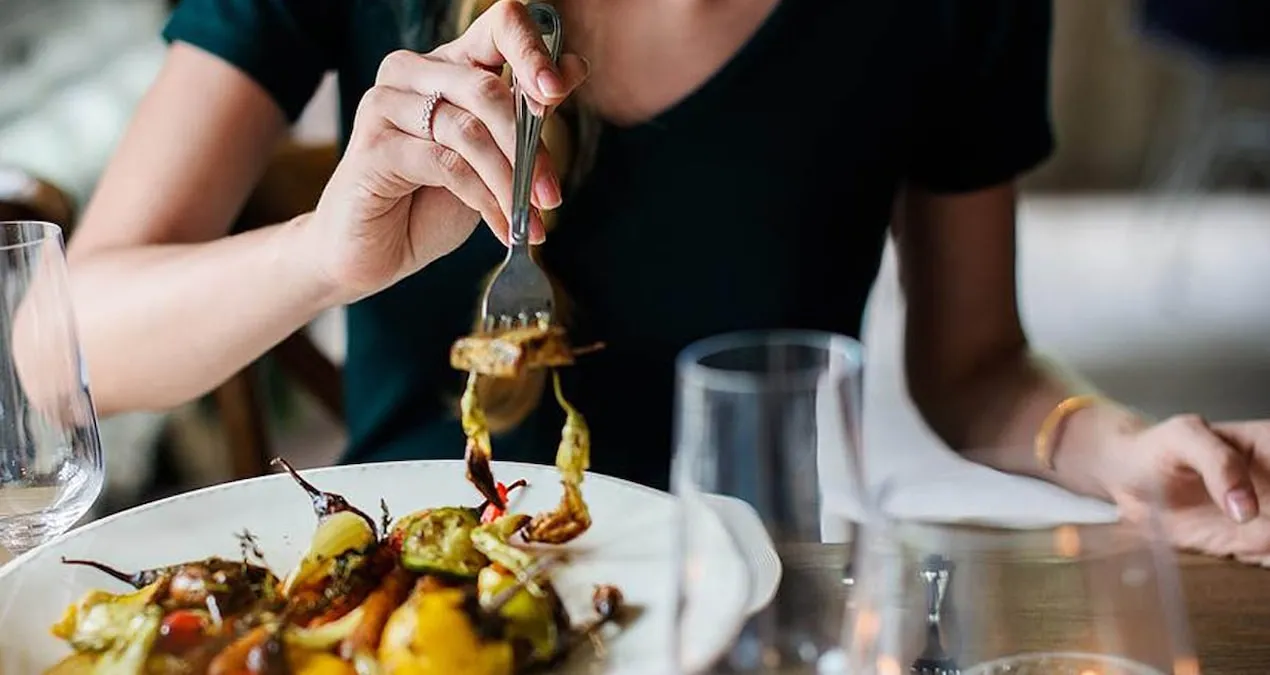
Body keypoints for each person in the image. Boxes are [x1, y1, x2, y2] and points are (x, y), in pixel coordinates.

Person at [64, 0, 1270, 564]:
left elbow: (974, 369)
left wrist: (1110, 448)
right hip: (406, 604)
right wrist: (324, 255)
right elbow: (55, 352)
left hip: (749, 610)